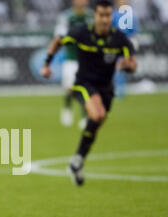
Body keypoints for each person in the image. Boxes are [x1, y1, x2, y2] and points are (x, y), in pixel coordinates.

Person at [40, 0, 137, 186]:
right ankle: (71, 125)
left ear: (112, 17)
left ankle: (77, 161)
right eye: (101, 15)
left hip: (106, 89)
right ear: (95, 16)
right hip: (83, 84)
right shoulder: (81, 32)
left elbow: (132, 64)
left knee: (97, 121)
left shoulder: (120, 39)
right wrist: (47, 64)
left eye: (108, 16)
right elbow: (58, 40)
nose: (104, 19)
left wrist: (128, 66)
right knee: (97, 114)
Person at [52, 0, 93, 128]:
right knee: (70, 88)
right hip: (71, 58)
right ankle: (67, 109)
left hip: (86, 59)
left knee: (85, 89)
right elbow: (60, 36)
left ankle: (85, 116)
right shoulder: (66, 17)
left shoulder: (91, 16)